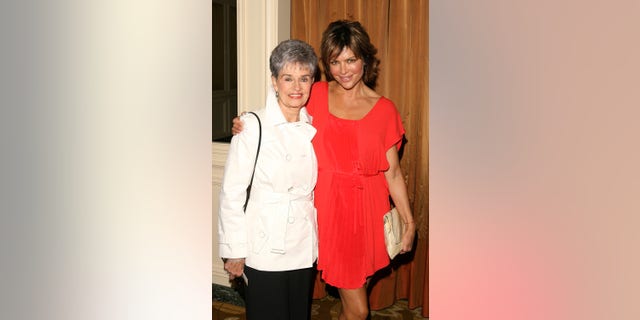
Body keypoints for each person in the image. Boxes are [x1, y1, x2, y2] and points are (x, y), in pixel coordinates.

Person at [233, 20, 415, 320]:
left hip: (370, 210)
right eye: (334, 62)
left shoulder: (385, 110)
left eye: (351, 60)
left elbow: (392, 173)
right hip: (332, 210)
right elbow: (280, 111)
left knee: (352, 303)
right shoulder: (315, 94)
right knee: (359, 311)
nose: (344, 70)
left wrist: (409, 223)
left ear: (365, 60)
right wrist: (247, 121)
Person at [218, 39, 319, 320]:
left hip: (302, 243)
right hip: (264, 245)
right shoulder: (252, 125)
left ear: (312, 82)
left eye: (304, 78)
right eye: (288, 78)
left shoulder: (313, 125)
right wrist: (234, 251)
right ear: (274, 82)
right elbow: (232, 192)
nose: (296, 87)